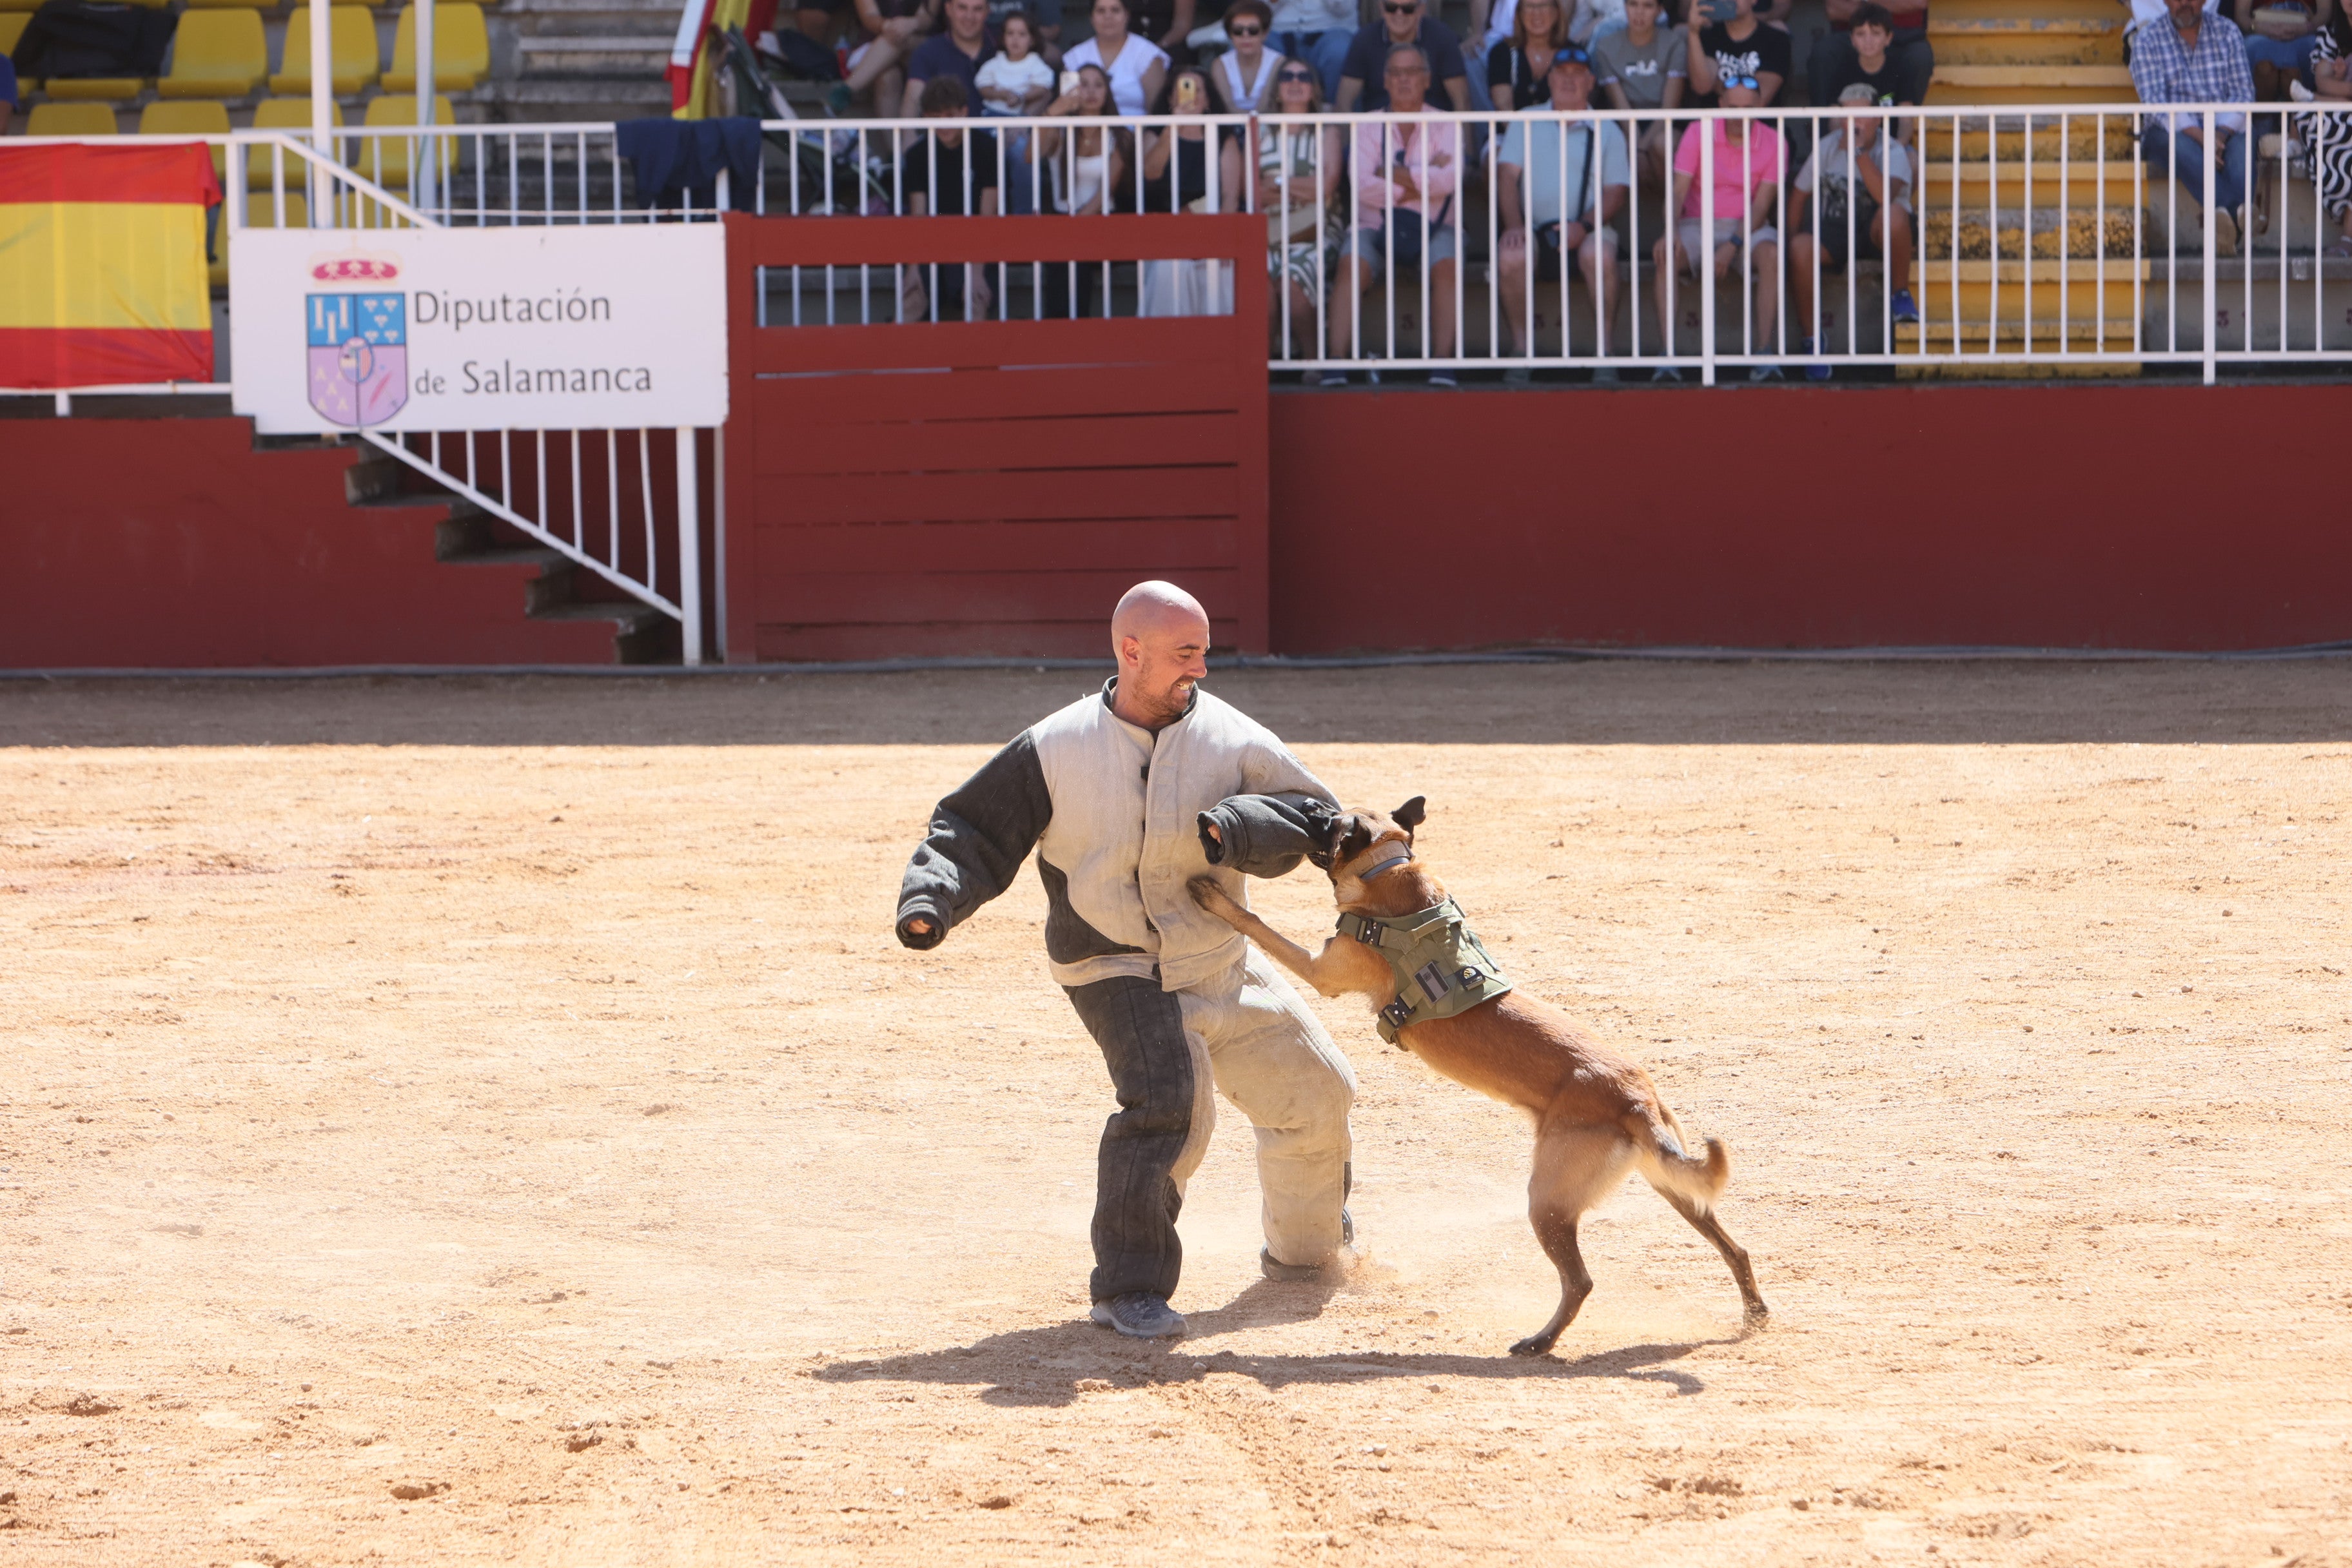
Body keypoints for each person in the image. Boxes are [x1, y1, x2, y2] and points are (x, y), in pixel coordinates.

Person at [894, 582, 1360, 1342]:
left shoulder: (1235, 738)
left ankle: (1307, 1256)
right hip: (1114, 962)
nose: (1201, 670)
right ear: (1130, 651)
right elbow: (971, 830)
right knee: (1171, 1105)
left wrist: (1250, 830)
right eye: (1185, 653)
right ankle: (1129, 1287)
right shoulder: (1054, 745)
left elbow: (1321, 821)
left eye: (1205, 652)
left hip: (1217, 953)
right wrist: (931, 897)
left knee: (1319, 1089)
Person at [1330, 44, 1464, 382]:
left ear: (1427, 79)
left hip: (1435, 226)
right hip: (1375, 223)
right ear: (1385, 81)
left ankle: (1442, 362)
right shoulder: (1366, 125)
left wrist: (1389, 172)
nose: (1404, 80)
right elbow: (1361, 185)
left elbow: (1450, 180)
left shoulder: (1446, 123)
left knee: (1446, 264)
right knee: (1350, 264)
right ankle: (1334, 362)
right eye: (1396, 73)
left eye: (1412, 72)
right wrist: (1422, 181)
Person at [1494, 48, 1631, 378]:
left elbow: (1617, 190)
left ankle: (1605, 353)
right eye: (1562, 73)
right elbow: (1506, 177)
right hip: (1533, 228)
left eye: (1578, 73)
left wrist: (1583, 226)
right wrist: (1514, 226)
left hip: (1592, 228)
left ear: (1591, 82)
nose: (1569, 80)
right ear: (1550, 79)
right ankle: (1521, 351)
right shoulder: (1526, 119)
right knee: (1512, 256)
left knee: (1600, 254)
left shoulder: (1608, 128)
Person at [1652, 74, 1785, 379]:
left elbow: (1762, 205)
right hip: (1696, 223)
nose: (1739, 116)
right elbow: (1677, 192)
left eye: (1747, 108)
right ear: (1721, 103)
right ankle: (1667, 355)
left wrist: (1733, 244)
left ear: (1760, 106)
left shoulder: (1774, 140)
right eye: (1733, 107)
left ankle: (1764, 354)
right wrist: (1669, 230)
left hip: (1748, 227)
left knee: (1773, 255)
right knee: (1666, 254)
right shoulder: (1699, 130)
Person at [1788, 83, 1918, 380]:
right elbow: (1797, 196)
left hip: (1876, 233)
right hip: (1835, 232)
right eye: (1847, 116)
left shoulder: (1893, 149)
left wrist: (1859, 154)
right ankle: (1813, 343)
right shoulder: (1828, 145)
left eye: (1860, 116)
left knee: (1894, 213)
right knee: (1799, 248)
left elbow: (1886, 196)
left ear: (1878, 118)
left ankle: (1900, 293)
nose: (1853, 123)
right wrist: (1790, 244)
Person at [2132, 0, 2256, 253]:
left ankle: (2228, 232)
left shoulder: (2228, 31)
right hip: (2171, 131)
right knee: (2177, 142)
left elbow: (2244, 93)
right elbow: (2156, 104)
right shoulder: (2147, 39)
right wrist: (2202, 137)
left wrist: (2218, 136)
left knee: (2243, 143)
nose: (2184, 4)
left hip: (2223, 128)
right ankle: (2238, 212)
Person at [1257, 59, 1346, 373]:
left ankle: (1312, 360)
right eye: (1287, 76)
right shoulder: (1260, 130)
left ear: (1314, 88)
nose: (1295, 82)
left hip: (1317, 229)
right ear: (1277, 88)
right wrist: (1303, 188)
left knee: (1291, 280)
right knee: (1260, 283)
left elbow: (1327, 187)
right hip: (1267, 233)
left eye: (1304, 76)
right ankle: (1263, 367)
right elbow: (1252, 192)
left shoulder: (1327, 130)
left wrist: (1278, 184)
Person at [897, 79, 1000, 322]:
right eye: (935, 116)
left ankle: (974, 361)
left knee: (976, 301)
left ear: (964, 113)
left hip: (977, 245)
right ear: (924, 117)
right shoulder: (917, 156)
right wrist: (914, 269)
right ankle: (896, 360)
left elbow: (988, 217)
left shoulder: (987, 149)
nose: (943, 124)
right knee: (912, 300)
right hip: (933, 244)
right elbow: (918, 217)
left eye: (950, 116)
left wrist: (976, 273)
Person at [1593, 0, 1683, 196]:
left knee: (1663, 143)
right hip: (1626, 121)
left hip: (1663, 122)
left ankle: (1672, 211)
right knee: (1613, 145)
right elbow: (1621, 105)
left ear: (1659, 10)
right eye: (1633, 4)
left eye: (1648, 6)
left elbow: (1670, 108)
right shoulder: (1606, 45)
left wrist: (1641, 150)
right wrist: (1635, 147)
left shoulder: (1674, 42)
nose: (1639, 12)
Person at [1337, 0, 1471, 112]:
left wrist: (1466, 144)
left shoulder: (1443, 38)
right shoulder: (1364, 39)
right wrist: (1348, 143)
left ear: (1421, 10)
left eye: (1408, 9)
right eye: (1391, 7)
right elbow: (1344, 101)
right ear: (1381, 8)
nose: (1399, 14)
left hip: (1435, 134)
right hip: (1375, 135)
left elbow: (1462, 101)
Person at [1808, 0, 1932, 111]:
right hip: (1855, 32)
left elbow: (1918, 3)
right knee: (1824, 52)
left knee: (1921, 56)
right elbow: (1834, 10)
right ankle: (1825, 132)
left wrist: (1864, 3)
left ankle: (1903, 129)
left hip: (1906, 33)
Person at [828, 0, 939, 117]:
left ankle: (847, 89)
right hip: (875, 48)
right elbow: (869, 16)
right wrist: (886, 25)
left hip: (920, 47)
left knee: (897, 38)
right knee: (888, 77)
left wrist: (912, 23)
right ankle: (894, 136)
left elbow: (928, 17)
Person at [2303, 6, 2352, 254]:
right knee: (2321, 124)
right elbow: (2322, 79)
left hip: (2338, 104)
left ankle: (2348, 239)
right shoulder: (2331, 33)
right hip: (2338, 113)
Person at [1063, 0, 1170, 113]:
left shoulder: (1148, 55)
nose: (1108, 16)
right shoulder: (1074, 58)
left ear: (1127, 15)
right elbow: (1067, 110)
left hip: (1136, 130)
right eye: (1101, 11)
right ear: (1091, 18)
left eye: (1115, 10)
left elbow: (1157, 116)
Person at [1684, 0, 1790, 109]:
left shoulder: (1776, 39)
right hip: (1714, 122)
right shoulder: (1708, 37)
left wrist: (1718, 84)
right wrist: (1693, 32)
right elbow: (1702, 86)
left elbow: (1759, 99)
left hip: (1760, 123)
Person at [902, 0, 999, 114]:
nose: (969, 17)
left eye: (978, 9)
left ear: (988, 11)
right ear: (948, 9)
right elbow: (911, 111)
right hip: (944, 131)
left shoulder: (1003, 48)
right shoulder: (928, 51)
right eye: (962, 8)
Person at [1268, 0, 1358, 101]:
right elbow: (1262, 11)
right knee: (1261, 46)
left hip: (1331, 31)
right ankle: (1267, 113)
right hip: (1278, 32)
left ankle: (1337, 112)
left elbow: (1344, 10)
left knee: (1338, 52)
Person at [2239, 0, 2332, 97]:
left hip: (2305, 31)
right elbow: (2241, 14)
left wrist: (2306, 28)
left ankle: (2301, 108)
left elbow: (2325, 12)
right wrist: (2258, 27)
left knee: (2313, 47)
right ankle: (2261, 110)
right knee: (2254, 48)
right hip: (2260, 31)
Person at [1488, 0, 1569, 109]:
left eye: (1544, 6)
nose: (1536, 13)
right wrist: (1521, 127)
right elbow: (1503, 108)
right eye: (1529, 7)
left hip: (1563, 126)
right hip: (1514, 125)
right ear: (1519, 13)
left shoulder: (1573, 53)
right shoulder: (1501, 53)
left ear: (1557, 12)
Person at [975, 7, 1054, 115]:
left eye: (1022, 34)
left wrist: (1021, 97)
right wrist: (1002, 95)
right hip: (992, 115)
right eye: (1010, 33)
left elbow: (1042, 88)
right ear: (1003, 38)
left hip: (1020, 118)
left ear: (1032, 40)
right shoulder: (994, 63)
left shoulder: (1036, 64)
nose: (1015, 39)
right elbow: (983, 87)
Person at [1211, 0, 1286, 109]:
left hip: (1268, 124)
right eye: (1238, 31)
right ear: (1230, 35)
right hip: (1231, 124)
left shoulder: (1278, 62)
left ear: (1265, 34)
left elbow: (1266, 106)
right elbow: (1227, 106)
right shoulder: (1219, 65)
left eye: (1253, 30)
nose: (1245, 36)